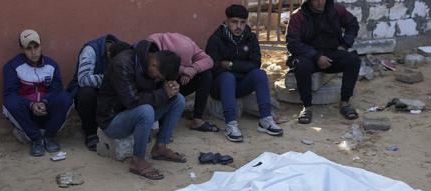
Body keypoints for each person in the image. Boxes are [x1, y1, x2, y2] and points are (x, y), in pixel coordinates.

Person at [97, 40, 186, 180]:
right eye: (158, 77)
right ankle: (137, 160)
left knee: (178, 99)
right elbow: (132, 101)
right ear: (154, 63)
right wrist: (164, 93)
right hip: (112, 120)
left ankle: (160, 147)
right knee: (146, 111)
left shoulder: (152, 65)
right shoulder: (122, 64)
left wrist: (171, 88)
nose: (157, 79)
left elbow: (155, 93)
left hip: (135, 115)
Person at [206, 4, 283, 142]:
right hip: (220, 87)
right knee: (228, 78)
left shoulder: (250, 37)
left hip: (241, 85)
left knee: (259, 74)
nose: (239, 27)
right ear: (227, 21)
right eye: (234, 22)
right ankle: (230, 124)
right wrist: (238, 69)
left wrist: (230, 64)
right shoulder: (216, 39)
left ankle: (265, 119)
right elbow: (213, 66)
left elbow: (255, 63)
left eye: (242, 22)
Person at [286, 0, 360, 124]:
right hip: (309, 56)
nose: (320, 3)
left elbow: (353, 24)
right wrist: (316, 56)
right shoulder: (298, 16)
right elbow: (292, 43)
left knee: (353, 60)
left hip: (331, 54)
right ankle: (307, 107)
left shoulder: (336, 9)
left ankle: (344, 103)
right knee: (300, 64)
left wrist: (344, 44)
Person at [3, 29, 73, 156]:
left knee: (66, 97)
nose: (33, 52)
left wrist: (45, 102)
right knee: (10, 102)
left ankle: (50, 137)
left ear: (41, 45)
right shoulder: (12, 66)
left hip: (48, 112)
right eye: (29, 49)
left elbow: (56, 91)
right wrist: (31, 104)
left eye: (36, 47)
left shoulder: (52, 65)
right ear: (23, 49)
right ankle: (36, 139)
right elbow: (10, 94)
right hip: (27, 114)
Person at [68, 35, 130, 151]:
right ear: (108, 55)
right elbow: (83, 79)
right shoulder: (90, 50)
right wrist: (109, 79)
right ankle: (90, 133)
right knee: (86, 92)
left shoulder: (124, 51)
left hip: (107, 92)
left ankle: (118, 128)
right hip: (87, 92)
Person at [146, 32, 217, 132]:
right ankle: (157, 121)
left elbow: (208, 60)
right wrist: (182, 70)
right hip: (157, 86)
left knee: (205, 75)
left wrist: (193, 69)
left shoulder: (189, 45)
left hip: (178, 81)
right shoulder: (153, 45)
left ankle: (197, 120)